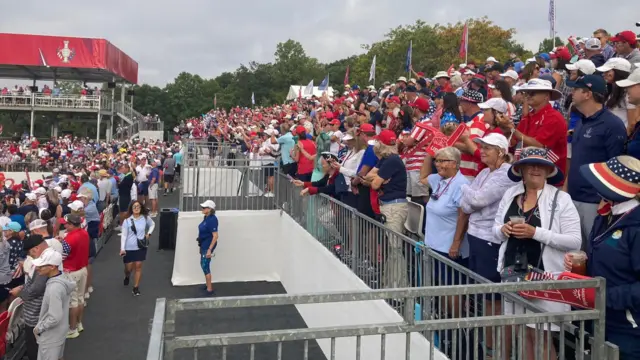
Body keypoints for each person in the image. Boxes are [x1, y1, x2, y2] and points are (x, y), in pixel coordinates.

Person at [493, 147, 581, 360]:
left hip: (545, 279)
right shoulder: (511, 193)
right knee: (522, 333)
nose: (535, 169)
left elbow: (575, 241)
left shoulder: (561, 199)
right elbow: (495, 230)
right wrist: (502, 230)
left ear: (549, 170)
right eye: (530, 165)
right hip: (512, 274)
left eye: (541, 165)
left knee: (542, 337)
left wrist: (536, 233)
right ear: (520, 169)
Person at [566, 155, 640, 359]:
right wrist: (583, 265)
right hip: (599, 322)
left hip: (628, 331)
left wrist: (603, 297)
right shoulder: (606, 215)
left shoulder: (636, 227)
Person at [458, 133, 515, 356]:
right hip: (475, 235)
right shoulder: (483, 172)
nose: (481, 152)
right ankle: (489, 345)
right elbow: (468, 205)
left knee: (493, 298)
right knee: (484, 295)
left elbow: (477, 200)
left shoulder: (505, 175)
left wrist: (464, 187)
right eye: (481, 147)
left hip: (490, 239)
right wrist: (471, 195)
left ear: (501, 151)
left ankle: (495, 350)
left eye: (487, 148)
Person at [564, 75, 627, 248]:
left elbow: (616, 165)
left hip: (594, 202)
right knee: (574, 253)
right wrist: (566, 188)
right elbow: (577, 158)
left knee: (593, 251)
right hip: (573, 198)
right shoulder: (581, 122)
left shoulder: (612, 125)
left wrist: (605, 200)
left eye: (576, 89)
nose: (572, 92)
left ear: (587, 94)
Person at [33, 249, 75, 360]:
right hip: (60, 332)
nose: (38, 268)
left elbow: (54, 317)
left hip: (51, 336)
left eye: (41, 266)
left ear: (52, 266)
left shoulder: (54, 288)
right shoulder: (62, 278)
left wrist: (39, 328)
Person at [60, 214, 89, 339]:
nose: (64, 225)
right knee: (81, 298)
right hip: (83, 269)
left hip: (71, 273)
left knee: (73, 302)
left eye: (66, 224)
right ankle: (78, 324)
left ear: (71, 225)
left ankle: (72, 329)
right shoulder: (84, 233)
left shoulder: (69, 239)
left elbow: (61, 257)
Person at [120, 200, 154, 296]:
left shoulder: (145, 218)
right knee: (129, 268)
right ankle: (127, 275)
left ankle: (136, 287)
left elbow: (152, 224)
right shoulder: (127, 221)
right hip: (129, 248)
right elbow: (124, 236)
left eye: (138, 206)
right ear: (131, 208)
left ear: (141, 208)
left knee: (138, 266)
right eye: (134, 206)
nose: (136, 208)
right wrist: (122, 248)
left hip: (141, 246)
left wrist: (149, 234)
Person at [197, 200, 218, 296]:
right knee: (203, 264)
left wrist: (209, 249)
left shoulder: (212, 220)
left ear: (210, 209)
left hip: (207, 246)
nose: (202, 209)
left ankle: (209, 289)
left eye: (204, 207)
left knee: (205, 266)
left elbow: (215, 236)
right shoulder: (206, 217)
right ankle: (207, 285)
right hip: (204, 244)